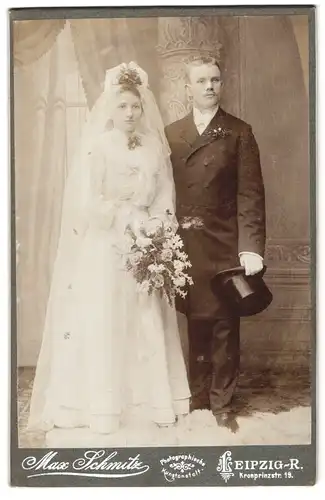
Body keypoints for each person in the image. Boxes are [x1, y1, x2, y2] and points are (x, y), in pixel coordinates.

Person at [28, 62, 190, 435]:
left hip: (147, 241)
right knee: (107, 318)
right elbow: (88, 200)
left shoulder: (153, 145)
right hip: (107, 243)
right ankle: (103, 407)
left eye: (135, 106)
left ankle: (152, 403)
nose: (130, 113)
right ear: (110, 109)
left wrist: (157, 230)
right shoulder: (98, 147)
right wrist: (122, 221)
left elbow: (166, 193)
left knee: (145, 319)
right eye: (122, 106)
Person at [165, 55, 266, 430]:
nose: (210, 86)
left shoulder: (239, 131)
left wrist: (251, 246)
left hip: (224, 244)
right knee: (196, 324)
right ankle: (197, 399)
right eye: (202, 81)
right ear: (187, 87)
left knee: (224, 326)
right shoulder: (171, 134)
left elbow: (251, 195)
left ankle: (222, 406)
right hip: (185, 246)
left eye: (215, 80)